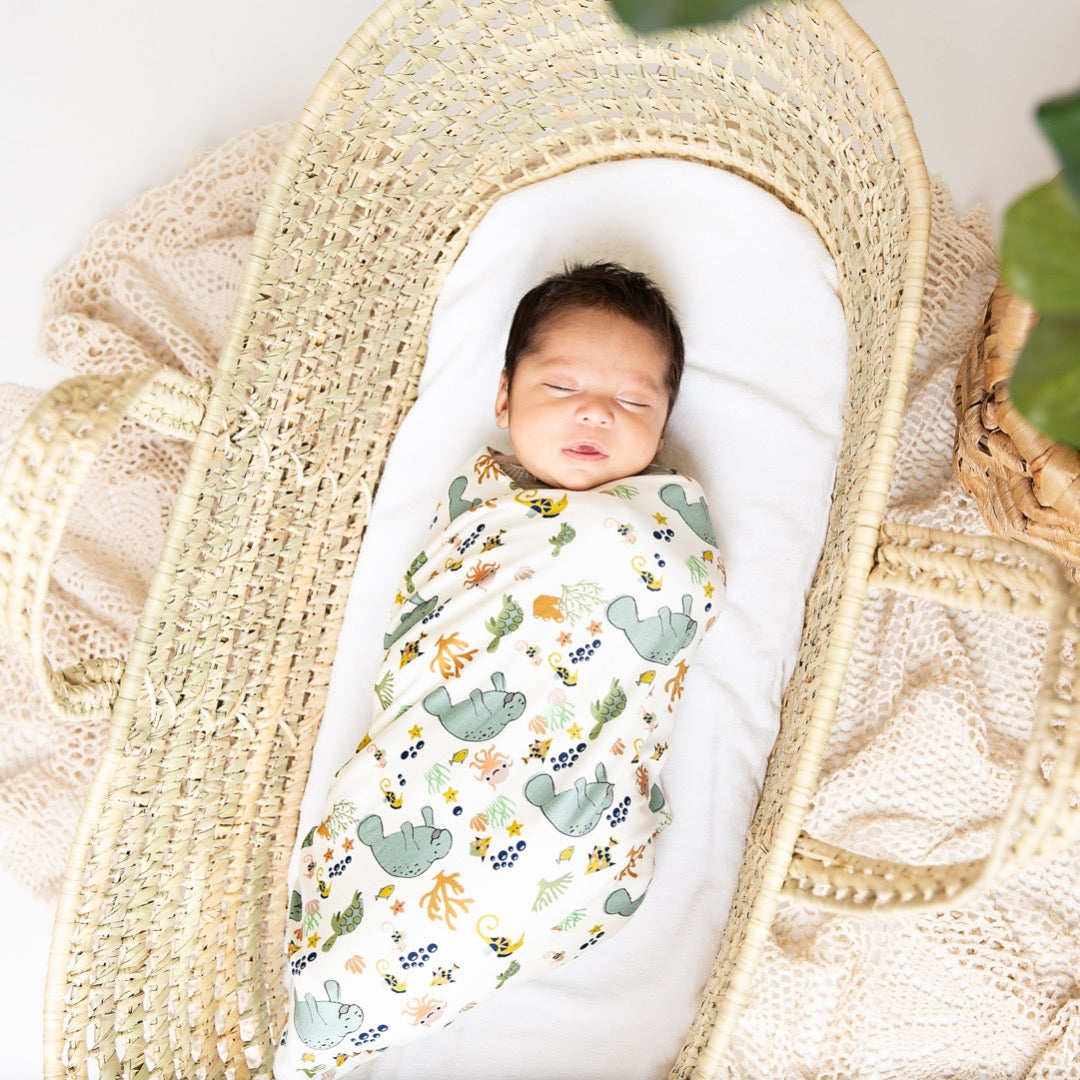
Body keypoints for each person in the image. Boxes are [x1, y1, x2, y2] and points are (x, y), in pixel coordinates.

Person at [275, 263, 724, 1076]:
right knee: (384, 898)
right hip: (436, 768)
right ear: (504, 399)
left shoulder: (656, 529)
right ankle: (332, 1014)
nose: (595, 411)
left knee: (505, 887)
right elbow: (429, 624)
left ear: (660, 431)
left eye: (632, 402)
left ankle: (339, 1017)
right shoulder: (480, 518)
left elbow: (680, 589)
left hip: (570, 816)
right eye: (562, 387)